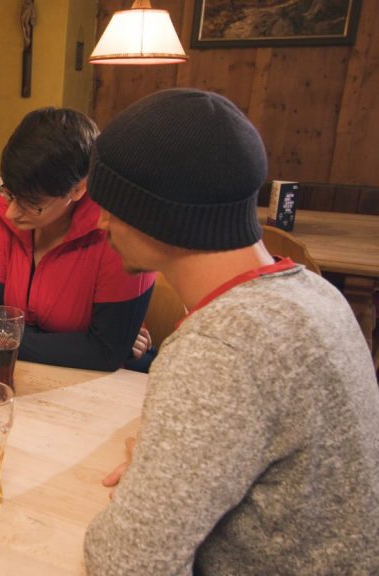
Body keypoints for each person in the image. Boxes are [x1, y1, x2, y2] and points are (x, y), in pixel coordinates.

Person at [84, 88, 379, 573]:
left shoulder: (219, 346)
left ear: (161, 215)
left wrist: (154, 479)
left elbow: (124, 562)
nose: (101, 222)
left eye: (114, 206)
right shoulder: (316, 293)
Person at [0, 108, 155, 371]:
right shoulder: (4, 211)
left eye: (33, 204)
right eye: (9, 193)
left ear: (78, 189)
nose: (12, 212)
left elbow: (105, 354)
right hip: (25, 374)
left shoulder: (118, 230)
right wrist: (86, 346)